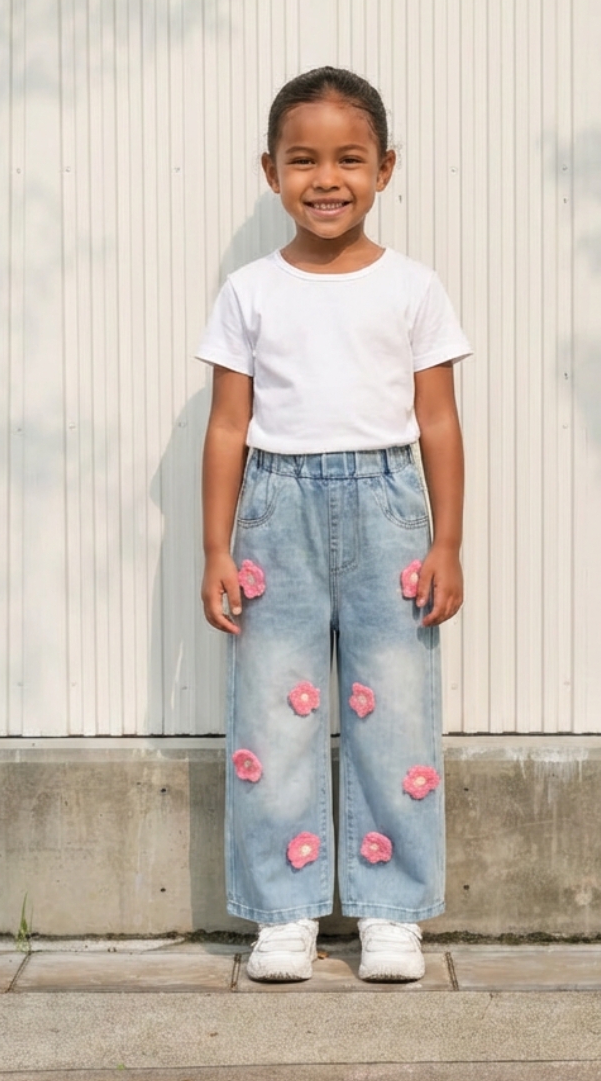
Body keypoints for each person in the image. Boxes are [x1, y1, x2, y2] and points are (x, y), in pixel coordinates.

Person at [197, 67, 470, 982]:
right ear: (268, 170)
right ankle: (283, 914)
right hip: (276, 512)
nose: (325, 178)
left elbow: (437, 420)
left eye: (348, 159)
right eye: (301, 159)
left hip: (391, 512)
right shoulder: (249, 290)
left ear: (385, 168)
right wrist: (215, 548)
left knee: (393, 714)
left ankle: (393, 914)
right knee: (273, 717)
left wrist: (446, 542)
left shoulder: (413, 288)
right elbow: (228, 426)